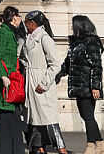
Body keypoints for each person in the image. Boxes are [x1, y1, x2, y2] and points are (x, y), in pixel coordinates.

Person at [59, 15, 104, 153]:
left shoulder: (91, 42)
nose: (72, 28)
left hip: (88, 87)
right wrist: (57, 76)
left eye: (74, 25)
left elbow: (96, 66)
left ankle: (91, 146)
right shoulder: (75, 44)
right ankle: (101, 145)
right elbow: (68, 64)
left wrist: (95, 86)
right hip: (78, 87)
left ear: (81, 26)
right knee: (86, 116)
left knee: (88, 117)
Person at [22, 12, 62, 154]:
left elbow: (56, 64)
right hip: (30, 82)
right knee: (34, 119)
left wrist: (44, 83)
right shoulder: (28, 38)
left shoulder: (44, 39)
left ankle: (61, 148)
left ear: (33, 23)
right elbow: (26, 58)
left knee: (48, 118)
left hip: (41, 83)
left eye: (26, 21)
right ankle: (38, 149)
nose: (24, 24)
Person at [0, 6, 26, 154]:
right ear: (15, 17)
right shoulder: (3, 33)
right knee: (7, 118)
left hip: (12, 81)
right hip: (6, 83)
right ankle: (7, 149)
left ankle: (9, 149)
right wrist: (3, 76)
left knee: (10, 118)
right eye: (19, 17)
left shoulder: (9, 31)